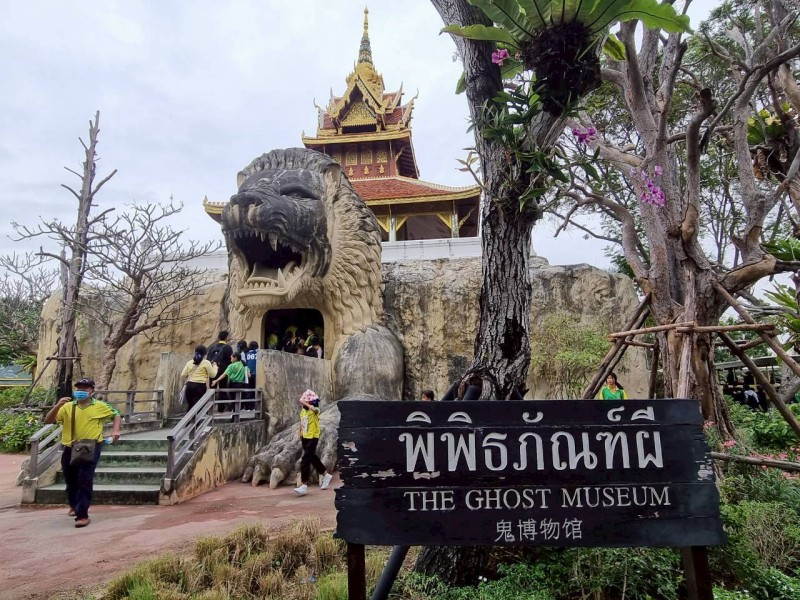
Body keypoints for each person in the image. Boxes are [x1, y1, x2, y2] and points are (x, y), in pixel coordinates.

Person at [44, 378, 121, 528]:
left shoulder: (100, 406)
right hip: (70, 446)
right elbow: (48, 420)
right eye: (79, 388)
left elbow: (116, 414)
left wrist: (116, 431)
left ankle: (82, 515)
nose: (81, 391)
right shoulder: (67, 407)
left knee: (84, 479)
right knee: (70, 479)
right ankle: (74, 505)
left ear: (92, 391)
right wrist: (57, 405)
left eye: (85, 388)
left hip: (90, 447)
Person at [293, 389, 333, 496]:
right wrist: (300, 432)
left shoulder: (315, 410)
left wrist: (307, 403)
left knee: (305, 461)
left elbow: (315, 410)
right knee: (312, 457)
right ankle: (325, 474)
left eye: (307, 401)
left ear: (310, 401)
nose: (304, 403)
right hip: (305, 437)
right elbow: (302, 423)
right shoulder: (303, 411)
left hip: (313, 437)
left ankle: (304, 485)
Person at [180, 345, 217, 410]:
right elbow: (213, 375)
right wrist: (215, 367)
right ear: (205, 354)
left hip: (189, 385)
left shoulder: (189, 362)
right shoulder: (206, 363)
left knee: (190, 406)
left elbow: (183, 374)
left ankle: (189, 417)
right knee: (199, 407)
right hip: (200, 386)